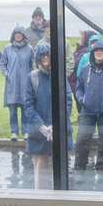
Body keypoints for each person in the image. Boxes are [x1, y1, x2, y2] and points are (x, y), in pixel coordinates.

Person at [25, 43, 69, 187]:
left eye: (48, 55)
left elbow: (67, 100)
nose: (46, 58)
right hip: (38, 133)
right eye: (43, 55)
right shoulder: (32, 78)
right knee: (40, 172)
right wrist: (42, 127)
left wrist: (56, 124)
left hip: (59, 130)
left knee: (63, 172)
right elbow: (28, 106)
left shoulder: (61, 75)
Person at [74, 37, 103, 172]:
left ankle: (102, 169)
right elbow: (79, 88)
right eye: (96, 51)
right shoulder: (85, 70)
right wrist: (82, 100)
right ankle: (80, 168)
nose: (99, 53)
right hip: (88, 111)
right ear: (92, 53)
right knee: (81, 140)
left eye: (101, 51)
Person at [0, 27, 35, 141]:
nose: (18, 36)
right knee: (12, 110)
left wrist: (32, 76)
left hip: (25, 84)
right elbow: (2, 63)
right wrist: (6, 74)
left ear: (23, 35)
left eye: (20, 34)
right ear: (13, 35)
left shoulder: (29, 49)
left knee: (25, 110)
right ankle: (14, 132)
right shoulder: (7, 48)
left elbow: (33, 64)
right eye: (16, 34)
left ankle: (26, 132)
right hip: (12, 84)